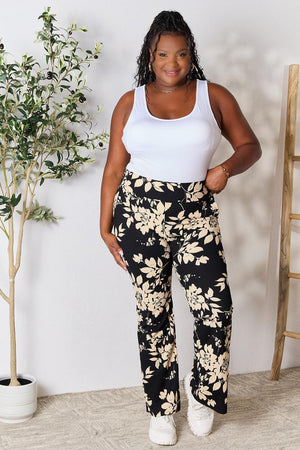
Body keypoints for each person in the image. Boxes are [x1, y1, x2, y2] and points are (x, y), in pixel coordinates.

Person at [100, 10, 261, 446]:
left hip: (196, 214)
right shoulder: (129, 103)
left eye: (181, 53)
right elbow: (115, 169)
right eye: (162, 54)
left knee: (216, 309)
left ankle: (204, 393)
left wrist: (225, 168)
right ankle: (162, 408)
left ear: (192, 55)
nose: (172, 63)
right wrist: (104, 225)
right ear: (149, 57)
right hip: (138, 215)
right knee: (153, 314)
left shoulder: (215, 96)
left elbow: (251, 146)